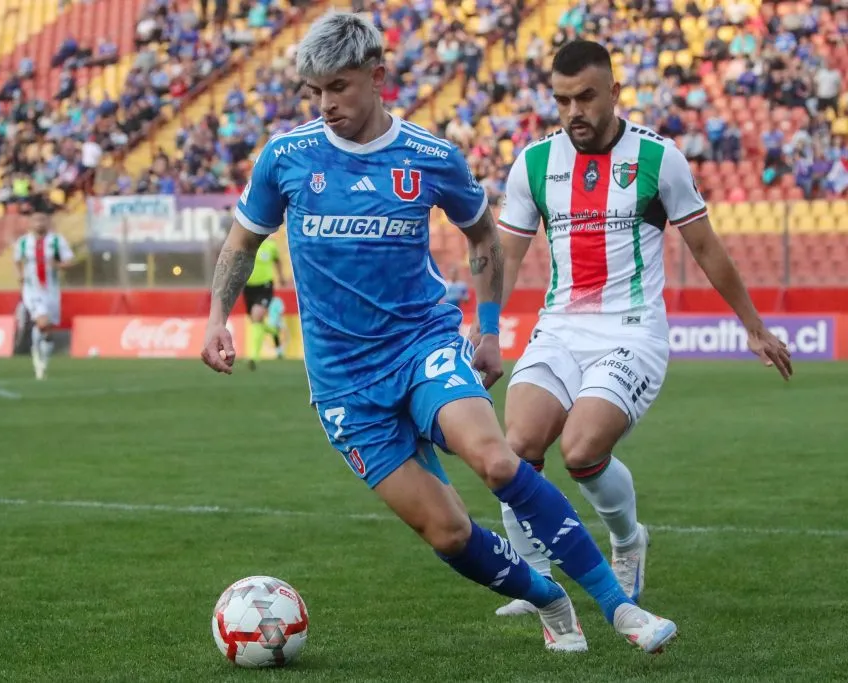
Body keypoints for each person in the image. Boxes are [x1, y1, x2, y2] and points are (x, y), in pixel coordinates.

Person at [202, 13, 677, 655]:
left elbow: (483, 235)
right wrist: (216, 318)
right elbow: (241, 242)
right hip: (344, 384)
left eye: (339, 87)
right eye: (316, 92)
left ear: (377, 76)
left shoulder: (428, 157)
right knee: (449, 534)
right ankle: (548, 597)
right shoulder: (286, 158)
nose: (327, 104)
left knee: (497, 459)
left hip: (422, 347)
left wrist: (485, 330)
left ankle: (621, 610)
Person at [488, 40, 792, 619]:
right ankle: (535, 579)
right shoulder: (533, 163)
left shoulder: (659, 158)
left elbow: (705, 245)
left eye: (586, 97)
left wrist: (752, 327)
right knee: (516, 449)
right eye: (562, 100)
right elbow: (506, 256)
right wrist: (482, 329)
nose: (574, 111)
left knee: (580, 451)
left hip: (632, 332)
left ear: (614, 93)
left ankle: (627, 541)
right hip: (560, 329)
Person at [14, 205, 74, 380]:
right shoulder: (24, 242)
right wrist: (20, 275)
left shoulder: (57, 241)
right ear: (30, 223)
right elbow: (17, 260)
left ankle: (43, 361)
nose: (39, 223)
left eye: (42, 219)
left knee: (48, 330)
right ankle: (35, 353)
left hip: (51, 291)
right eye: (36, 220)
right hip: (32, 290)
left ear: (48, 222)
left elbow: (69, 261)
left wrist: (58, 265)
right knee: (42, 322)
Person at [242, 234, 285, 369]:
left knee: (257, 315)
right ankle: (273, 330)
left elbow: (277, 261)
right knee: (256, 321)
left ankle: (253, 357)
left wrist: (281, 277)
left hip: (265, 286)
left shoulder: (271, 245)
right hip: (248, 286)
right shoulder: (247, 243)